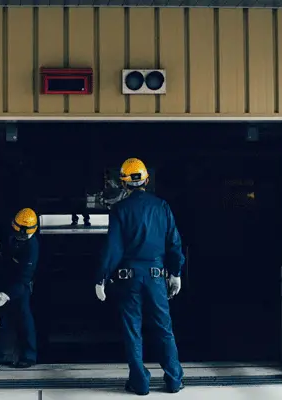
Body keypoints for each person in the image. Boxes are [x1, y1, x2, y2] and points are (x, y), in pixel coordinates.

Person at [94, 158, 185, 396]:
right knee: (164, 329)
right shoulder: (162, 206)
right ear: (146, 180)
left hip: (129, 279)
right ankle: (174, 379)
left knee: (132, 330)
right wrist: (175, 273)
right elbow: (174, 243)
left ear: (124, 183)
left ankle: (140, 383)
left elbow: (113, 248)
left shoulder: (119, 210)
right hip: (156, 277)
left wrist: (101, 278)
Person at [0, 208, 40, 368]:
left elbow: (24, 279)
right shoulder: (9, 227)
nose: (19, 237)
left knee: (23, 314)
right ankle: (3, 354)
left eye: (23, 235)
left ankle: (29, 355)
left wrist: (6, 295)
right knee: (2, 317)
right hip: (3, 272)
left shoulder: (32, 248)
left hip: (21, 281)